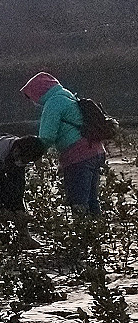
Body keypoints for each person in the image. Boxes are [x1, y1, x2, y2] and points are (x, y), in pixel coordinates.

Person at [23, 71, 110, 216]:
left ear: (39, 92)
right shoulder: (67, 95)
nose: (33, 101)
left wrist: (33, 154)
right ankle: (97, 233)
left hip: (78, 157)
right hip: (95, 151)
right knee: (92, 200)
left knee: (79, 203)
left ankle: (84, 236)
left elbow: (47, 136)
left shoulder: (53, 103)